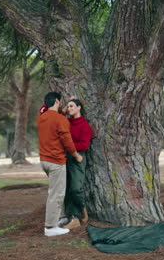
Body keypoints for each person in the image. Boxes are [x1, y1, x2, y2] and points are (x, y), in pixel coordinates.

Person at [37, 92, 83, 237]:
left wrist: (60, 111)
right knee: (56, 194)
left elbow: (51, 117)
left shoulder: (41, 118)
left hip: (44, 161)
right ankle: (50, 227)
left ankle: (56, 219)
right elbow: (67, 141)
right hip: (56, 161)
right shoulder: (60, 120)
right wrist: (76, 155)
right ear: (57, 101)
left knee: (55, 192)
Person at [61, 98, 94, 229]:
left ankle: (82, 209)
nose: (69, 109)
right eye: (68, 107)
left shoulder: (85, 126)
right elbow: (57, 119)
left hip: (78, 158)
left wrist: (68, 145)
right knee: (66, 188)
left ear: (79, 107)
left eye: (72, 106)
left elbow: (84, 145)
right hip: (65, 158)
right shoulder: (66, 122)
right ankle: (73, 217)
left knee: (75, 188)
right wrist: (63, 111)